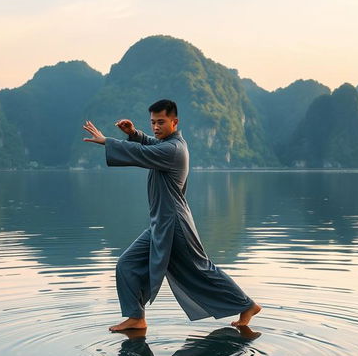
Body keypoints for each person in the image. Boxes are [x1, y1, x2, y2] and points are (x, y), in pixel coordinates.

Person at [82, 99, 261, 332]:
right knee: (126, 264)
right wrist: (134, 133)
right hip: (160, 223)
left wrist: (107, 141)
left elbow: (141, 152)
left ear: (175, 122)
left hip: (175, 223)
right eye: (153, 122)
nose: (156, 127)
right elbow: (150, 145)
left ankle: (247, 305)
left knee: (201, 268)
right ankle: (136, 317)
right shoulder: (168, 144)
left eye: (161, 122)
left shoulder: (173, 150)